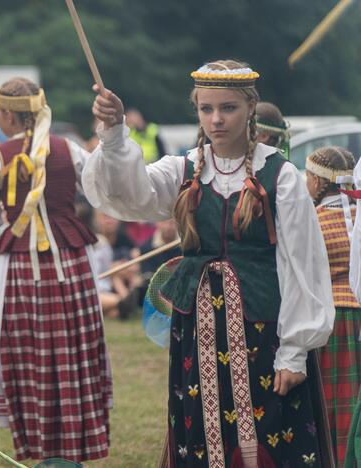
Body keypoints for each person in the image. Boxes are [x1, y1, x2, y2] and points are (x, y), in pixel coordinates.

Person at [85, 60, 335, 466]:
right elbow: (126, 193)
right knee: (200, 432)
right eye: (206, 109)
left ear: (250, 108)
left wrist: (293, 351)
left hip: (263, 330)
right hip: (198, 330)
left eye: (228, 108)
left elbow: (303, 265)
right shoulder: (185, 170)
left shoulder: (280, 175)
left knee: (270, 431)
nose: (216, 119)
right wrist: (113, 135)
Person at [0, 78, 111, 463]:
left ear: (8, 115)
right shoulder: (70, 149)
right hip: (71, 262)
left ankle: (44, 449)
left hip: (21, 267)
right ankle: (74, 448)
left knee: (30, 352)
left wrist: (5, 209)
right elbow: (99, 192)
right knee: (74, 349)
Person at [305, 147, 360, 465]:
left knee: (334, 403)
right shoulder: (360, 215)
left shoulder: (314, 221)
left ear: (316, 181)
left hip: (332, 321)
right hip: (358, 315)